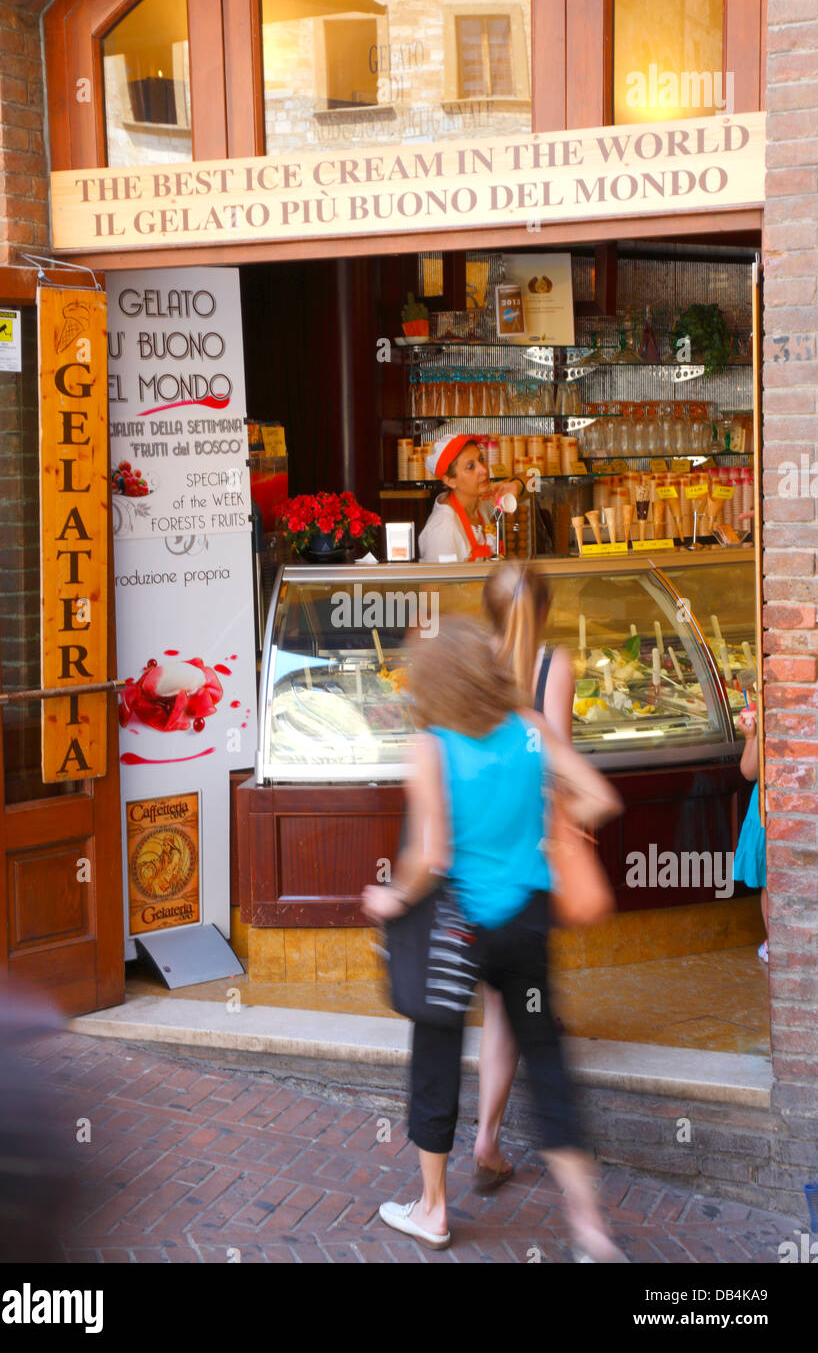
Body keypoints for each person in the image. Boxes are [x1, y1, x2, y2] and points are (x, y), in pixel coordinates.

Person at [362, 616, 625, 1259]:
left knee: (436, 1054)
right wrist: (553, 825)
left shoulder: (431, 747)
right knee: (546, 1057)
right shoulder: (532, 733)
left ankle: (433, 1209)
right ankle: (588, 1225)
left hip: (457, 932)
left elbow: (432, 853)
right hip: (525, 927)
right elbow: (599, 796)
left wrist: (392, 896)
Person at [471, 560, 576, 1189]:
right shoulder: (549, 665)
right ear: (541, 611)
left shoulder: (471, 660)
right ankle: (487, 1140)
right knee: (516, 1006)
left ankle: (488, 1135)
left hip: (477, 846)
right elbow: (556, 760)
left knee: (496, 1005)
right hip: (526, 851)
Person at [418, 434, 524, 563]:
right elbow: (435, 583)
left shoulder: (480, 501)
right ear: (450, 481)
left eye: (481, 459)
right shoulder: (443, 531)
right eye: (470, 467)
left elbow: (534, 480)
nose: (484, 470)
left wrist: (517, 486)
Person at [733, 704, 768, 961]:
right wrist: (751, 736)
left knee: (773, 882)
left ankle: (778, 944)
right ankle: (775, 943)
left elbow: (748, 772)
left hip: (776, 807)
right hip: (768, 808)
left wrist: (752, 737)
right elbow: (749, 771)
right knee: (772, 881)